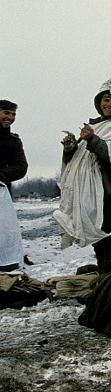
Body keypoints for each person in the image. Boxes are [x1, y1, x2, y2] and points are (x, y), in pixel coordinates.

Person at [53, 78, 111, 274]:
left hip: (106, 188)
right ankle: (106, 276)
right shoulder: (97, 125)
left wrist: (92, 139)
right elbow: (79, 159)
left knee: (107, 233)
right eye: (106, 100)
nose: (108, 105)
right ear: (99, 101)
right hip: (88, 191)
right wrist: (70, 148)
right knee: (99, 237)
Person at [0, 100, 28, 271]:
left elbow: (21, 167)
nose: (9, 117)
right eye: (6, 113)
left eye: (13, 114)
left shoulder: (13, 141)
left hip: (2, 194)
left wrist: (1, 175)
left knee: (4, 234)